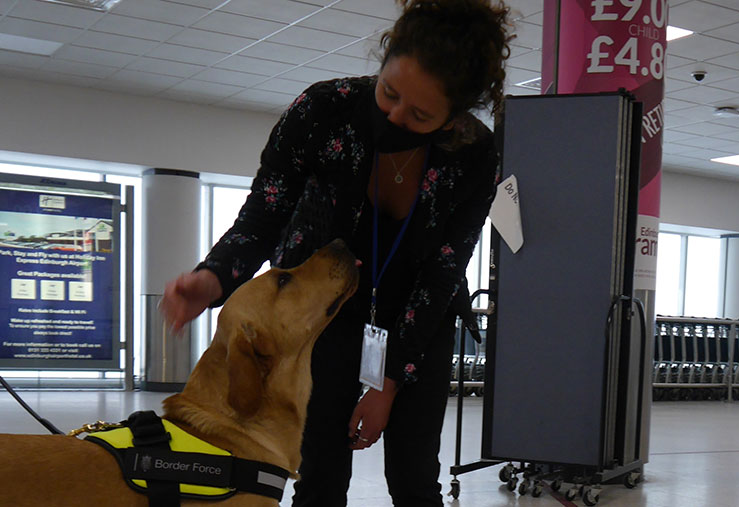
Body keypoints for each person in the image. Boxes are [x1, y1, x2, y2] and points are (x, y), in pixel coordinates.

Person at [160, 1, 513, 505]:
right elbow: (265, 212)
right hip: (320, 320)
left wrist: (388, 382)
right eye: (389, 92)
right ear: (384, 57)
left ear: (454, 116)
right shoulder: (323, 111)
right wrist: (213, 277)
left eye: (420, 115)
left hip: (418, 323)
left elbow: (443, 269)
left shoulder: (475, 155)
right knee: (319, 478)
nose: (393, 115)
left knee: (415, 481)